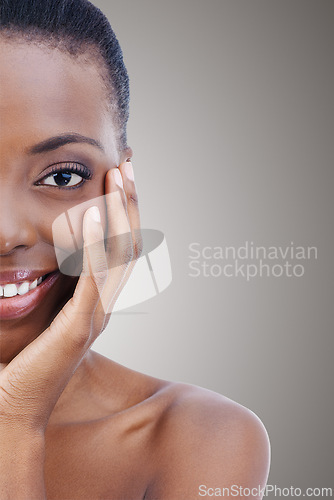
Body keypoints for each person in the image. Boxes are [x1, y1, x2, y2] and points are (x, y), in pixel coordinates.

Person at [0, 0, 270, 498]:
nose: (4, 232)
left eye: (62, 176)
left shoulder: (194, 438)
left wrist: (16, 419)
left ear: (123, 189)